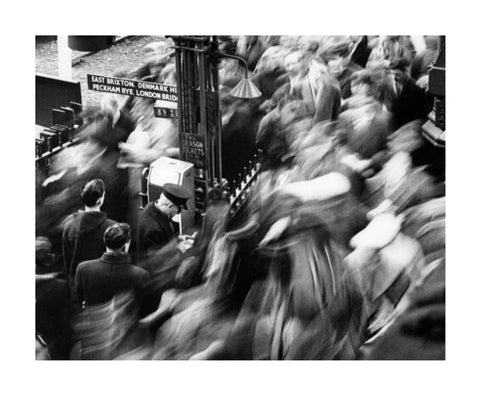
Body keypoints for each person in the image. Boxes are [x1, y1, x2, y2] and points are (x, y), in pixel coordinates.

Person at [74, 223, 149, 307]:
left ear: (104, 240)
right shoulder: (140, 275)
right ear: (126, 244)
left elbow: (77, 301)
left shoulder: (83, 269)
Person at [62, 179, 116, 291]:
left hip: (78, 287)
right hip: (102, 288)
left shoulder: (68, 227)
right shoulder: (112, 228)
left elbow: (67, 263)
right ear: (100, 201)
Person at [136, 183, 192, 264]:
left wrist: (178, 239)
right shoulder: (153, 228)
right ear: (170, 206)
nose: (179, 213)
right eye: (178, 210)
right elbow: (157, 260)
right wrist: (179, 249)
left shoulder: (152, 207)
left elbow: (162, 241)